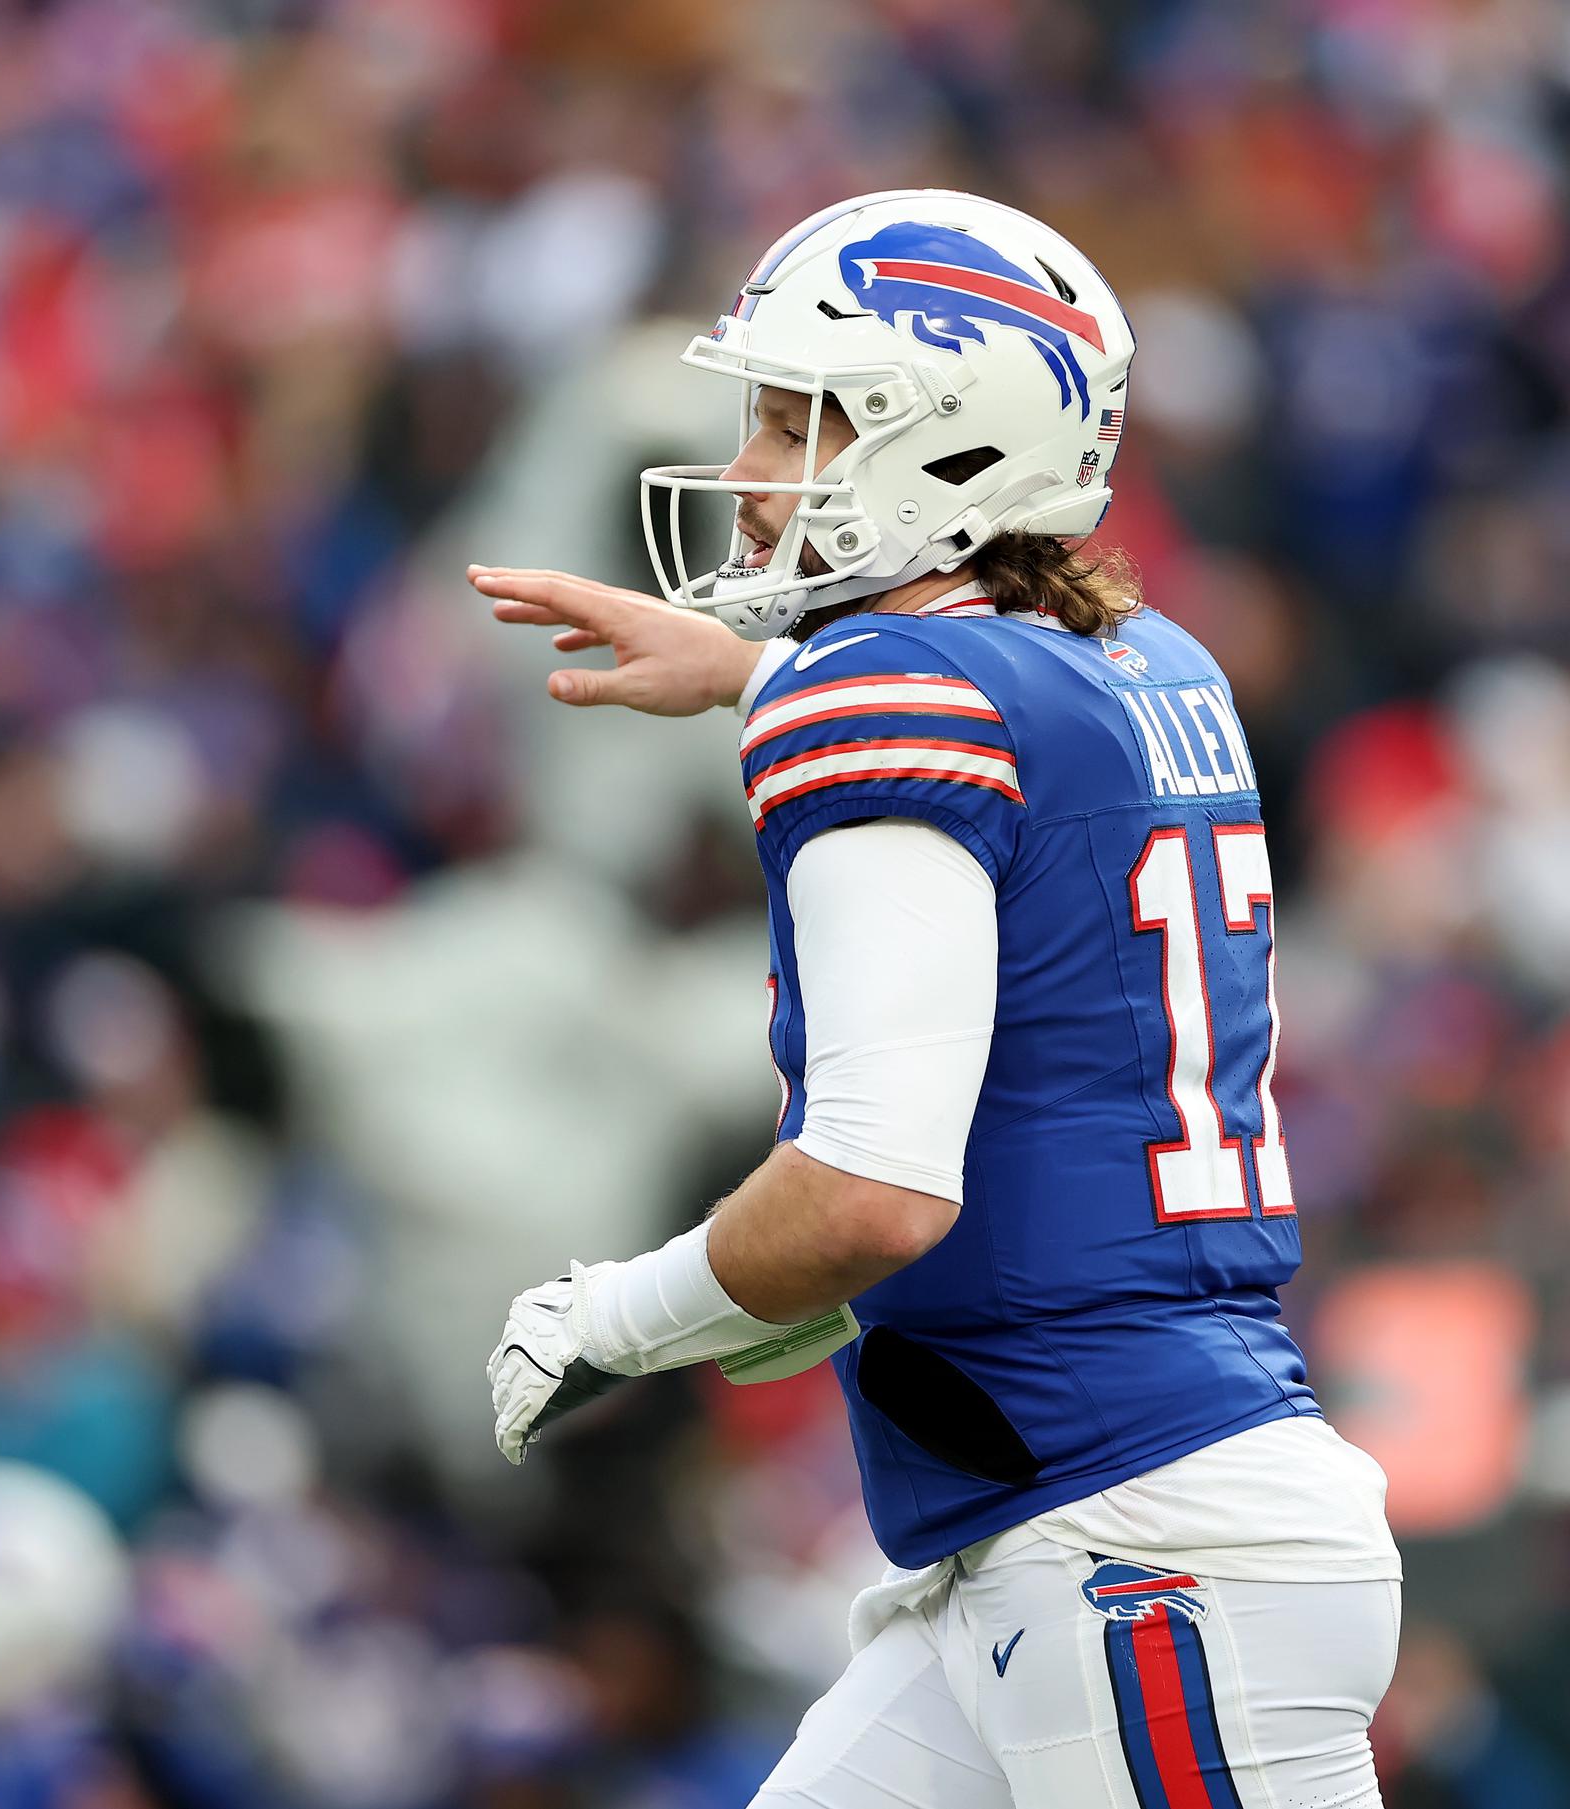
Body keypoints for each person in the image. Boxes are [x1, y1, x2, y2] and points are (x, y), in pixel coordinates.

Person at [472, 189, 1402, 1809]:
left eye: (798, 419)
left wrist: (613, 1318)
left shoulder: (888, 702)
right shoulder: (1153, 665)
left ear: (950, 442)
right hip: (1064, 1540)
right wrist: (755, 667)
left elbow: (871, 1194)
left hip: (1140, 1553)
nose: (756, 472)